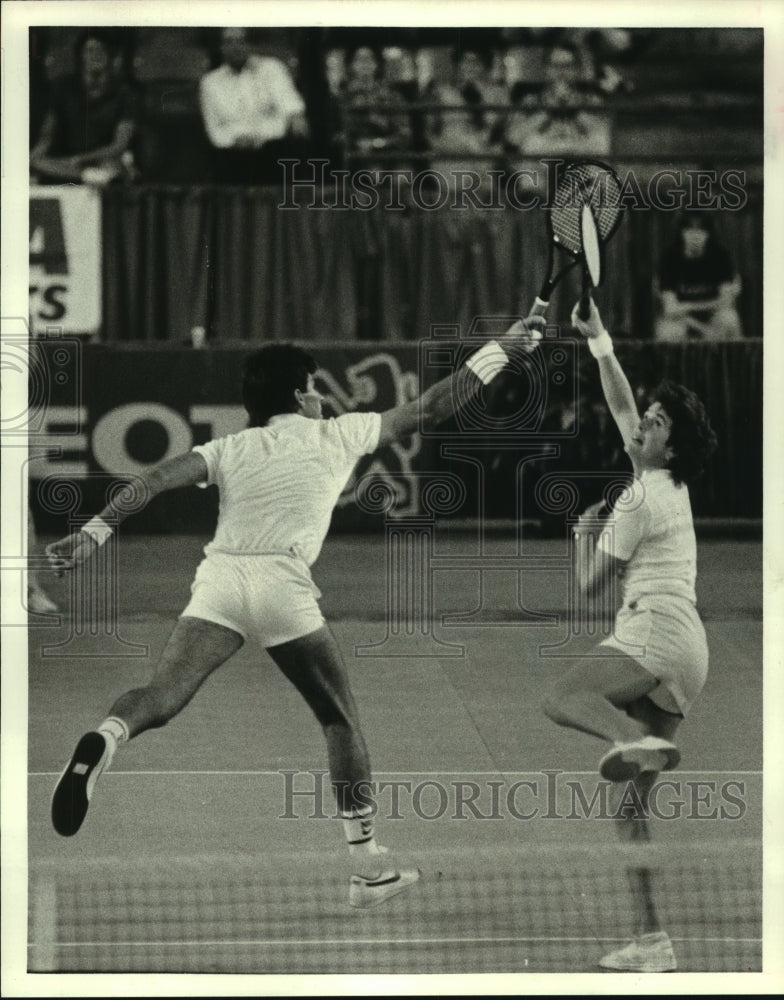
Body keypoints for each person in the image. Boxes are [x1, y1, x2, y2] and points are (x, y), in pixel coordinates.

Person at [46, 324, 542, 907]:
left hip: (221, 582)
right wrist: (504, 349)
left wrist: (93, 533)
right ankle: (366, 866)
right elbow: (434, 404)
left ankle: (107, 737)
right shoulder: (338, 434)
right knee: (339, 720)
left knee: (160, 694)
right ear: (300, 395)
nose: (320, 396)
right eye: (313, 387)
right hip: (284, 588)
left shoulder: (229, 448)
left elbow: (154, 479)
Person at [542, 297, 717, 971]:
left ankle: (633, 740)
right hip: (690, 653)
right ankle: (653, 940)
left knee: (561, 697)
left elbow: (589, 587)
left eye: (657, 420)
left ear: (671, 442)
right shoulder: (665, 480)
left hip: (657, 630)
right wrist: (599, 340)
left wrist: (582, 536)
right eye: (648, 415)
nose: (642, 420)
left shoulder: (638, 499)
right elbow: (620, 408)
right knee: (631, 807)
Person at [199, 27, 310, 185]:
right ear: (221, 47)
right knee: (226, 164)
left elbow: (289, 102)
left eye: (241, 41)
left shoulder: (271, 69)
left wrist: (296, 115)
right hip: (234, 152)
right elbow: (214, 129)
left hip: (272, 147)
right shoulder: (210, 83)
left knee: (289, 152)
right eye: (229, 42)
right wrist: (234, 140)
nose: (235, 46)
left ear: (249, 45)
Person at [30, 30, 137, 187]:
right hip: (68, 164)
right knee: (37, 162)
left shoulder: (125, 94)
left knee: (115, 167)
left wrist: (80, 159)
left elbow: (119, 145)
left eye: (101, 50)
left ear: (110, 56)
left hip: (103, 160)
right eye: (89, 50)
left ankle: (91, 176)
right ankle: (88, 176)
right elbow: (46, 137)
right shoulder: (63, 89)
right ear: (81, 55)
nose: (95, 55)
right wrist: (33, 160)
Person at [655, 210, 743, 341]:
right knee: (668, 332)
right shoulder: (670, 260)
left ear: (708, 234)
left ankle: (734, 361)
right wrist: (703, 330)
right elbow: (670, 309)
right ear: (682, 233)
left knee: (729, 319)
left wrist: (685, 306)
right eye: (689, 230)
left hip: (713, 316)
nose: (695, 236)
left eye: (701, 231)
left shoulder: (720, 257)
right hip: (682, 320)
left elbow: (727, 302)